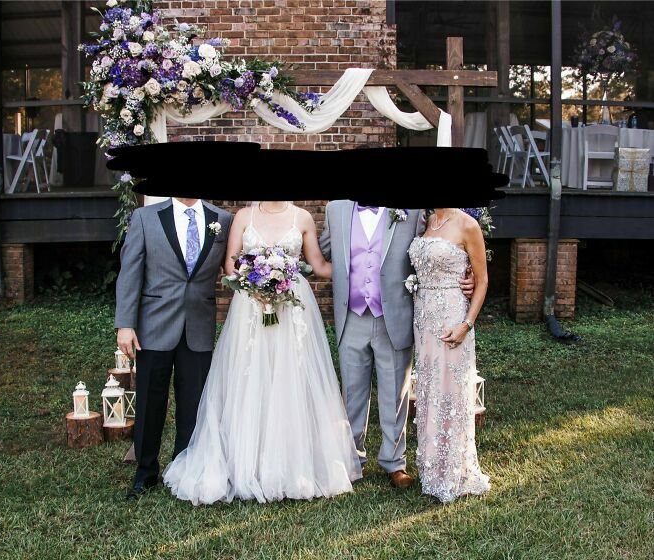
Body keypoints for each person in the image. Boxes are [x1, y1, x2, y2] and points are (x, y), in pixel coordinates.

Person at [162, 201, 361, 504]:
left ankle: (292, 464)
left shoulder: (303, 217)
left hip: (293, 312)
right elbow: (230, 266)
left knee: (291, 378)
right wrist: (254, 283)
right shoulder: (244, 216)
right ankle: (248, 463)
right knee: (250, 375)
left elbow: (318, 266)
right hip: (251, 309)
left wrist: (362, 272)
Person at [319, 202, 474, 488]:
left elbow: (437, 246)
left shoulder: (412, 210)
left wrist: (469, 271)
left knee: (395, 394)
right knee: (352, 392)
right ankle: (352, 460)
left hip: (394, 316)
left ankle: (394, 462)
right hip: (351, 316)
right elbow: (321, 255)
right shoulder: (335, 210)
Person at [114, 197, 233, 500]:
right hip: (153, 326)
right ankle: (145, 472)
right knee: (150, 401)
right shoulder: (146, 218)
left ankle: (185, 469)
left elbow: (232, 269)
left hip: (199, 326)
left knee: (193, 403)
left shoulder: (223, 219)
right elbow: (130, 272)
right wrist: (125, 324)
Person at [408, 208, 491, 503]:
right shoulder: (425, 221)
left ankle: (454, 471)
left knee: (452, 393)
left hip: (452, 317)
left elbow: (481, 281)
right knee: (431, 391)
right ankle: (431, 468)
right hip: (423, 319)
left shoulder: (468, 225)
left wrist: (466, 324)